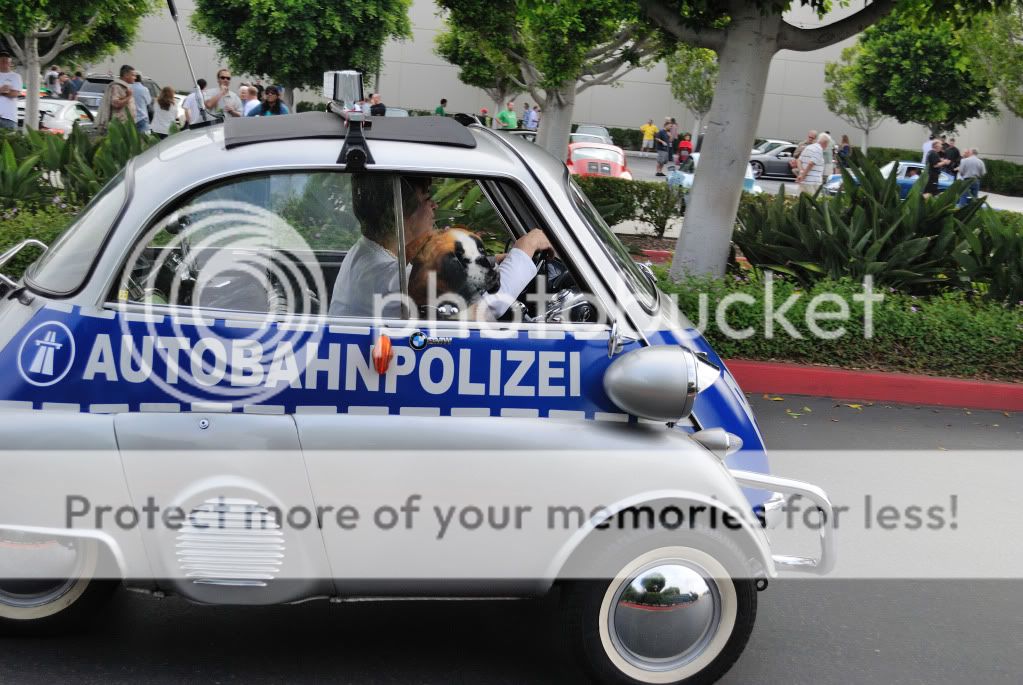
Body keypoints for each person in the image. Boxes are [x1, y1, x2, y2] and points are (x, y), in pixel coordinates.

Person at [329, 176, 550, 320]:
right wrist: (526, 248)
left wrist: (491, 262)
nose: (434, 205)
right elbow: (485, 309)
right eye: (426, 199)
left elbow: (437, 266)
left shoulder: (366, 253)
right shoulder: (392, 279)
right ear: (402, 214)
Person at [95, 64, 137, 131]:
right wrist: (129, 96)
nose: (135, 78)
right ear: (126, 75)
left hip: (126, 126)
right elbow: (115, 104)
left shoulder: (125, 87)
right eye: (133, 75)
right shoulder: (117, 87)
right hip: (119, 126)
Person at [0, 51, 22, 131]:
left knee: (9, 142)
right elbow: (10, 92)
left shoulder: (15, 77)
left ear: (10, 63)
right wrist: (3, 91)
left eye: (7, 62)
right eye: (2, 61)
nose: (4, 64)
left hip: (9, 117)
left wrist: (3, 91)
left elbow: (14, 94)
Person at [131, 70, 152, 134]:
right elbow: (148, 102)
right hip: (142, 117)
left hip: (130, 118)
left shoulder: (128, 88)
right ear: (140, 78)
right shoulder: (144, 89)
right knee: (143, 140)